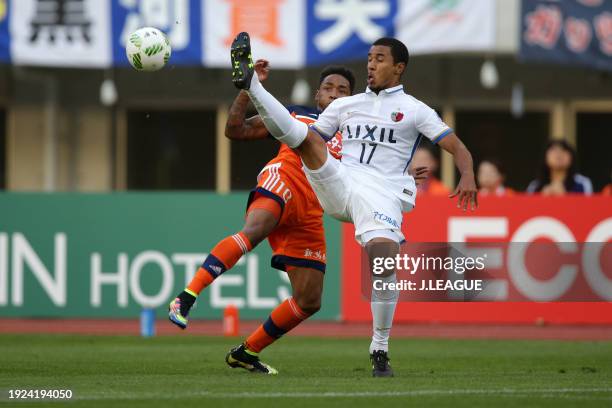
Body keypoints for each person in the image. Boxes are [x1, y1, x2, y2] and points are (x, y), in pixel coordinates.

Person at [231, 32, 477, 377]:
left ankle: (379, 348)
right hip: (341, 183)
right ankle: (251, 85)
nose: (371, 65)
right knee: (305, 140)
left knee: (383, 259)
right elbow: (310, 137)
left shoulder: (415, 110)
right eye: (369, 59)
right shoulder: (346, 106)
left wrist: (466, 174)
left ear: (399, 67)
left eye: (379, 59)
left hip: (381, 196)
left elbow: (457, 147)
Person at [168, 61, 428, 375]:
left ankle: (246, 352)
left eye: (342, 91)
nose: (334, 95)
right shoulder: (296, 116)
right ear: (317, 94)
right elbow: (235, 130)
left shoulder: (358, 133)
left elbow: (379, 167)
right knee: (254, 230)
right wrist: (246, 90)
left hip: (311, 209)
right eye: (329, 88)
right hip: (284, 180)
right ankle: (186, 297)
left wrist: (405, 173)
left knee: (309, 299)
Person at [527, 140, 592, 195]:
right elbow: (527, 208)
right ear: (545, 158)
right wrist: (542, 199)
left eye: (564, 150)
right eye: (553, 150)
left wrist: (565, 197)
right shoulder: (535, 186)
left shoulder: (582, 184)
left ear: (571, 158)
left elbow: (589, 208)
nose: (559, 154)